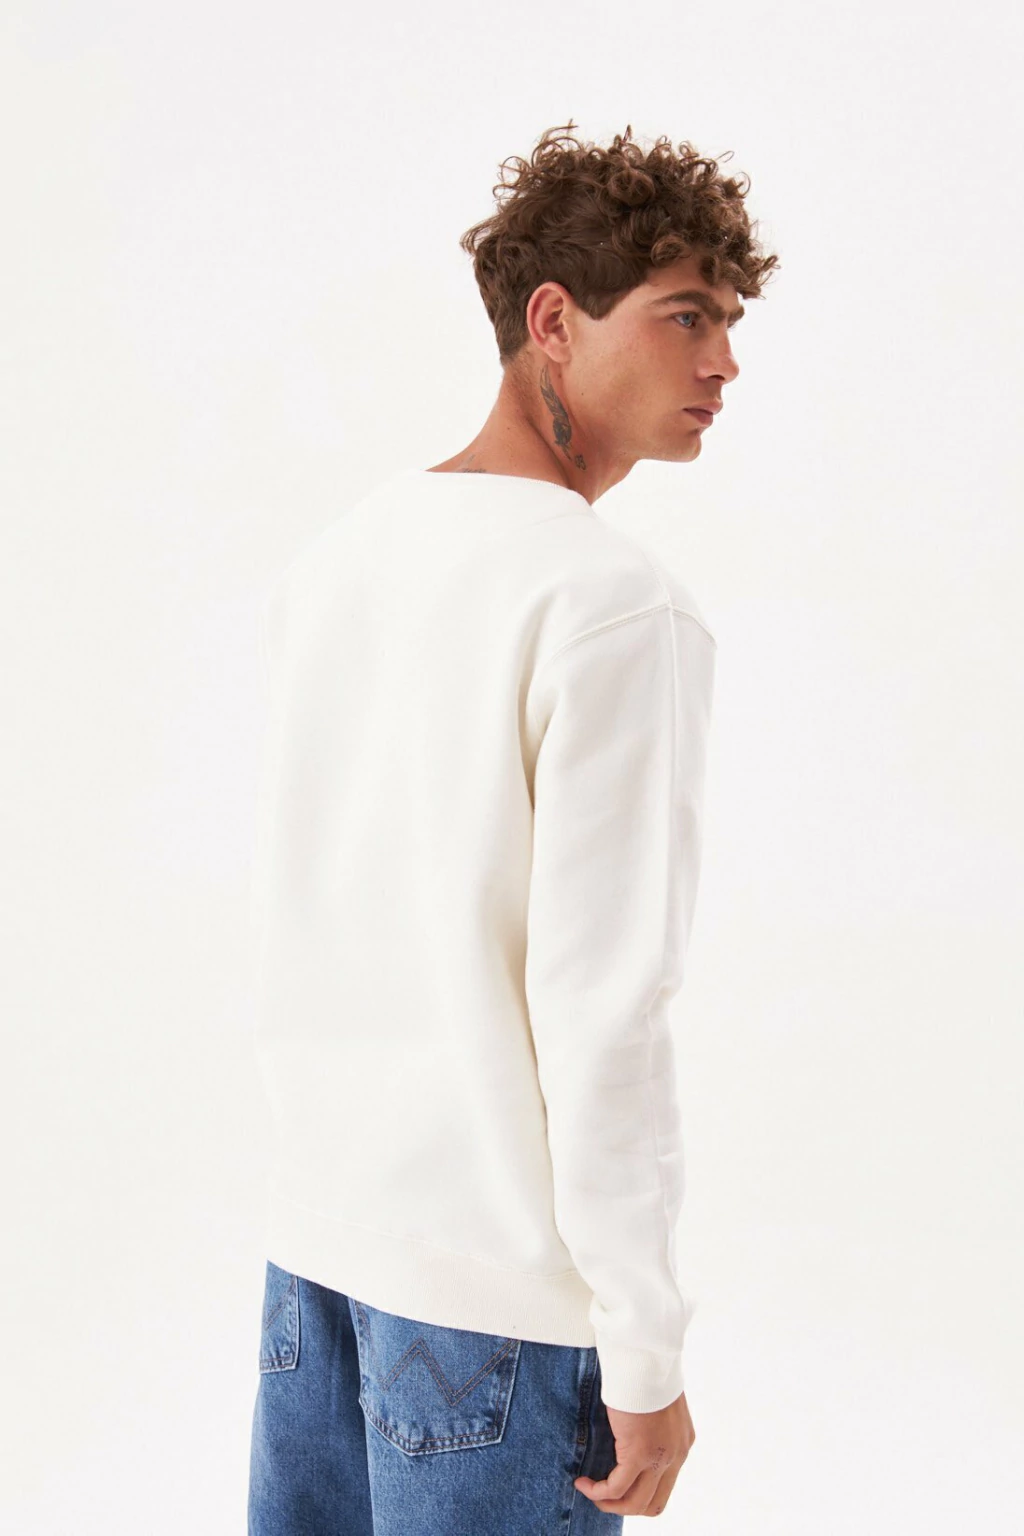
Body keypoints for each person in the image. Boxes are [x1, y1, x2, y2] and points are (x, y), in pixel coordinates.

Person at [247, 119, 779, 1532]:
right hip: (494, 1312)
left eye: (730, 322)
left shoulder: (341, 560)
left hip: (316, 1269)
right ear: (554, 321)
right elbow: (606, 1009)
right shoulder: (612, 606)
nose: (725, 362)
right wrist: (646, 1350)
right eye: (686, 316)